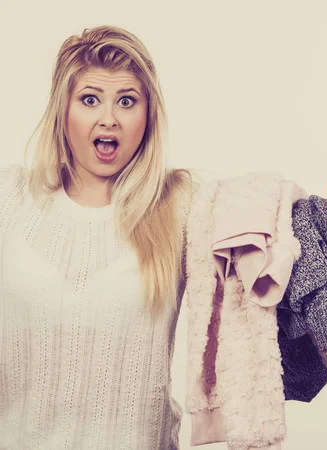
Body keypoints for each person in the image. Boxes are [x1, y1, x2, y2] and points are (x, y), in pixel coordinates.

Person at [0, 25, 195, 449]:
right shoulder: (10, 198)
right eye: (90, 100)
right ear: (63, 111)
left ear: (147, 116)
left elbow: (270, 229)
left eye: (127, 101)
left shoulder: (178, 206)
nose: (109, 118)